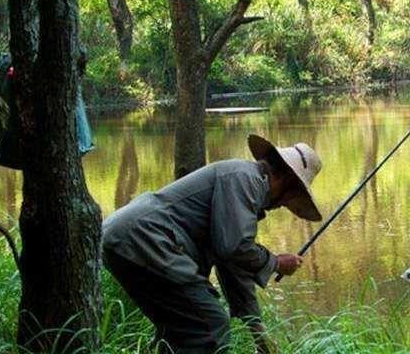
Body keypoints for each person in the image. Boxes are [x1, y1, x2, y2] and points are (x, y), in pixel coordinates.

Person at [102, 134, 324, 353]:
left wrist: (258, 332)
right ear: (287, 181)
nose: (283, 205)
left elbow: (232, 264)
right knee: (210, 326)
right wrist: (275, 263)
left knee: (180, 329)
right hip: (144, 237)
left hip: (126, 238)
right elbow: (234, 247)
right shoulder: (244, 179)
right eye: (290, 198)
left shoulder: (245, 184)